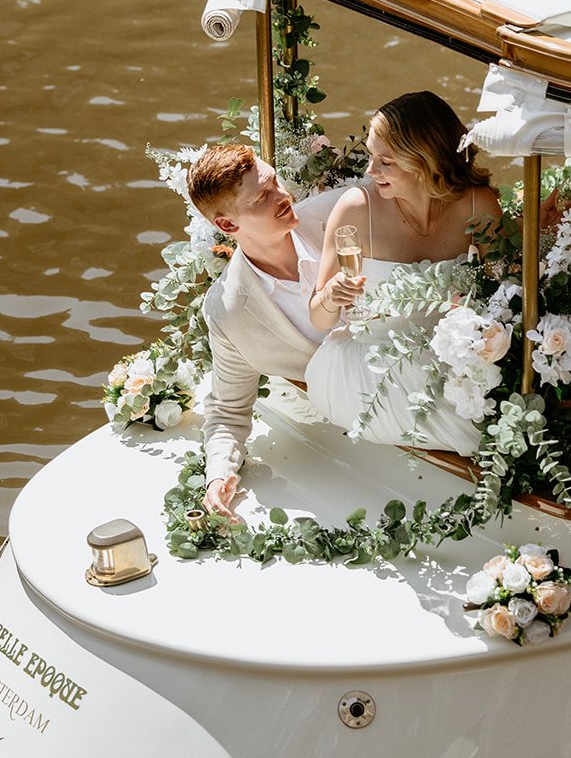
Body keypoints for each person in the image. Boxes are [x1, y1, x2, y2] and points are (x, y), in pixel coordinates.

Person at [306, 90, 502, 454]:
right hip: (369, 370)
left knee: (506, 421)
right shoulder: (355, 209)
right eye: (369, 155)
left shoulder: (476, 204)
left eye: (386, 162)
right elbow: (319, 318)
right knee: (485, 436)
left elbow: (506, 290)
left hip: (453, 362)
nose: (370, 170)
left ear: (426, 161)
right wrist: (331, 296)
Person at [186, 143, 349, 519]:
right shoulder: (228, 312)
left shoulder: (338, 214)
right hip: (348, 434)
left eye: (275, 181)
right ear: (227, 225)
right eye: (263, 197)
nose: (283, 196)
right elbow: (228, 411)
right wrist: (218, 476)